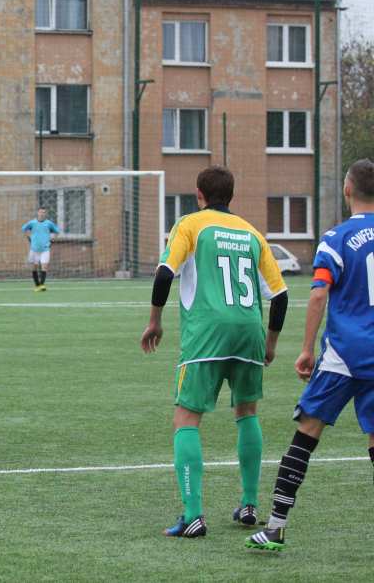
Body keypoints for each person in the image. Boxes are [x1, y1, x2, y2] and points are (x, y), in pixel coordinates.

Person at [140, 165, 288, 538]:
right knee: (247, 412)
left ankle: (193, 515)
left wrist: (155, 321)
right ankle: (250, 504)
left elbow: (163, 274)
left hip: (207, 332)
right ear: (232, 196)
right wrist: (269, 343)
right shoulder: (253, 233)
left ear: (199, 194)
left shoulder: (190, 224)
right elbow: (281, 295)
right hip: (249, 332)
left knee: (186, 419)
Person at [247, 159, 374, 552]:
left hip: (344, 356)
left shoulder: (335, 238)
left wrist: (305, 349)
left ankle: (276, 526)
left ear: (347, 189)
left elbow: (319, 292)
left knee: (306, 434)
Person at [21, 207, 59, 291]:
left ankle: (42, 285)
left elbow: (57, 231)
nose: (42, 214)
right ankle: (37, 285)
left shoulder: (49, 223)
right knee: (34, 267)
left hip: (45, 249)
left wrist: (52, 239)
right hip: (34, 249)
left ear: (45, 214)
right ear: (37, 213)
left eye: (44, 212)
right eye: (40, 212)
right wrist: (29, 237)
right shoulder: (32, 223)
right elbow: (24, 229)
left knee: (44, 266)